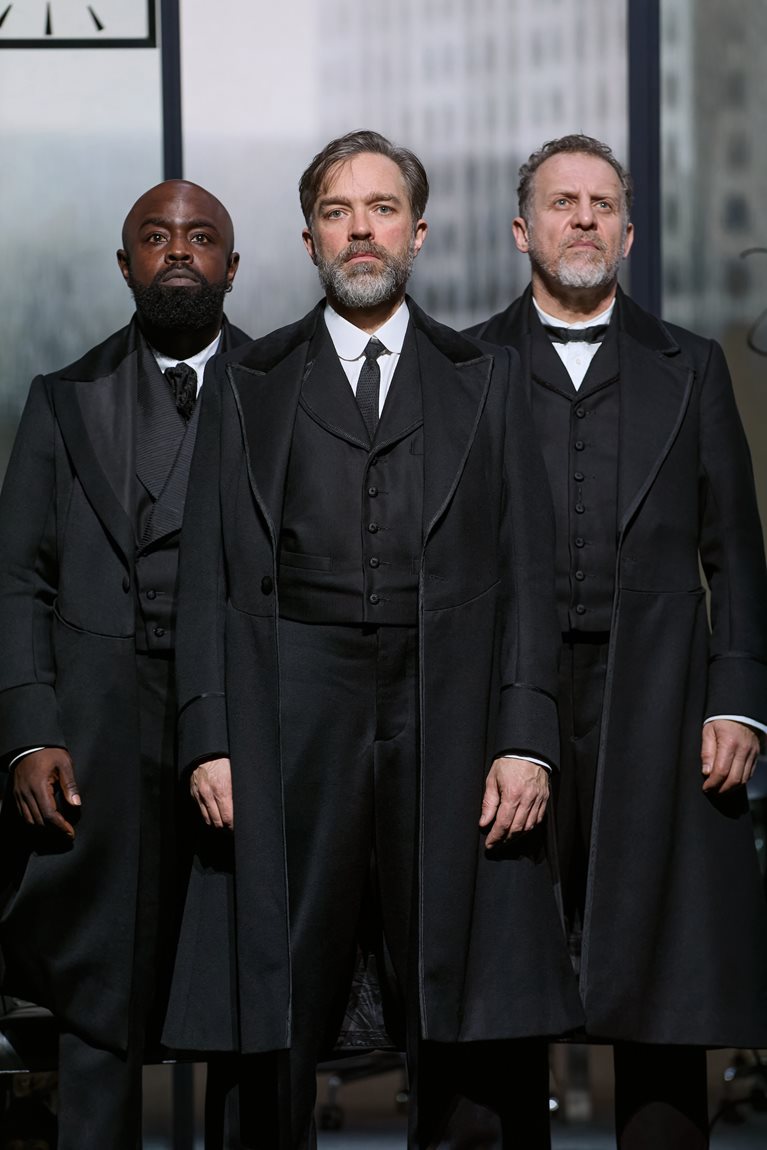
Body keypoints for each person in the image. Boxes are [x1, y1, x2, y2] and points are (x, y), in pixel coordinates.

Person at [162, 130, 583, 1149]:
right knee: (276, 983)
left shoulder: (482, 377)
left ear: (419, 232)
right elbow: (209, 570)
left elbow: (530, 568)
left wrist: (525, 735)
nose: (362, 230)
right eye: (340, 212)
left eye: (382, 208)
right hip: (286, 701)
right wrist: (208, 733)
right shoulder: (248, 379)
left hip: (444, 694)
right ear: (308, 237)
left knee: (455, 971)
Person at [468, 134, 767, 1149]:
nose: (583, 218)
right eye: (561, 202)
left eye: (601, 203)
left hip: (661, 698)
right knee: (500, 958)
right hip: (506, 699)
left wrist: (736, 698)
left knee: (661, 965)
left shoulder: (692, 366)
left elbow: (734, 548)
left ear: (628, 232)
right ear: (523, 230)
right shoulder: (462, 367)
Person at [0, 180, 249, 1149]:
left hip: (235, 722)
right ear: (124, 264)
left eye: (199, 237)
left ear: (232, 264)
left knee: (237, 980)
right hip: (97, 731)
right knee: (99, 992)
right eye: (155, 237)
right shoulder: (60, 402)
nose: (177, 251)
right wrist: (29, 728)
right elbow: (19, 577)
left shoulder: (282, 389)